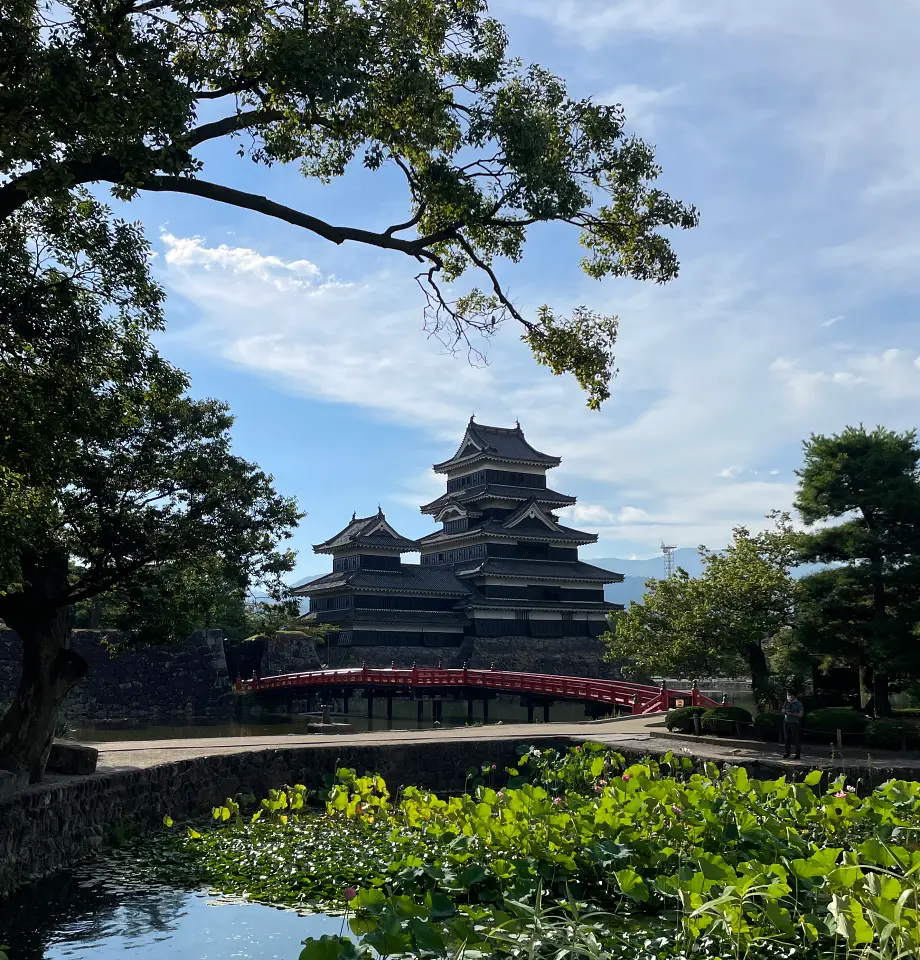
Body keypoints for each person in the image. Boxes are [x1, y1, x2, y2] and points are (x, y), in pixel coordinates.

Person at [781, 688, 805, 760]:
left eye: (789, 695)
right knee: (787, 738)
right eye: (787, 695)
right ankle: (787, 753)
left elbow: (801, 715)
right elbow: (782, 709)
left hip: (794, 723)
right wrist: (784, 711)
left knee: (796, 738)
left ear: (794, 696)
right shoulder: (787, 702)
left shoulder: (799, 704)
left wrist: (791, 713)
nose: (788, 696)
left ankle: (797, 754)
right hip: (786, 722)